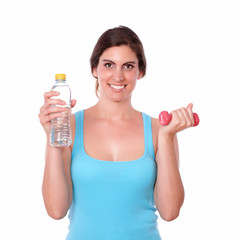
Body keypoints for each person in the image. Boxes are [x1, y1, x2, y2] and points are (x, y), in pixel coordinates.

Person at [39, 26, 197, 240]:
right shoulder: (69, 127)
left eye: (128, 66)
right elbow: (56, 211)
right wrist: (53, 136)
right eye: (108, 65)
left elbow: (170, 212)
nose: (118, 76)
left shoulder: (159, 130)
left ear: (140, 72)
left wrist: (168, 137)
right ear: (95, 69)